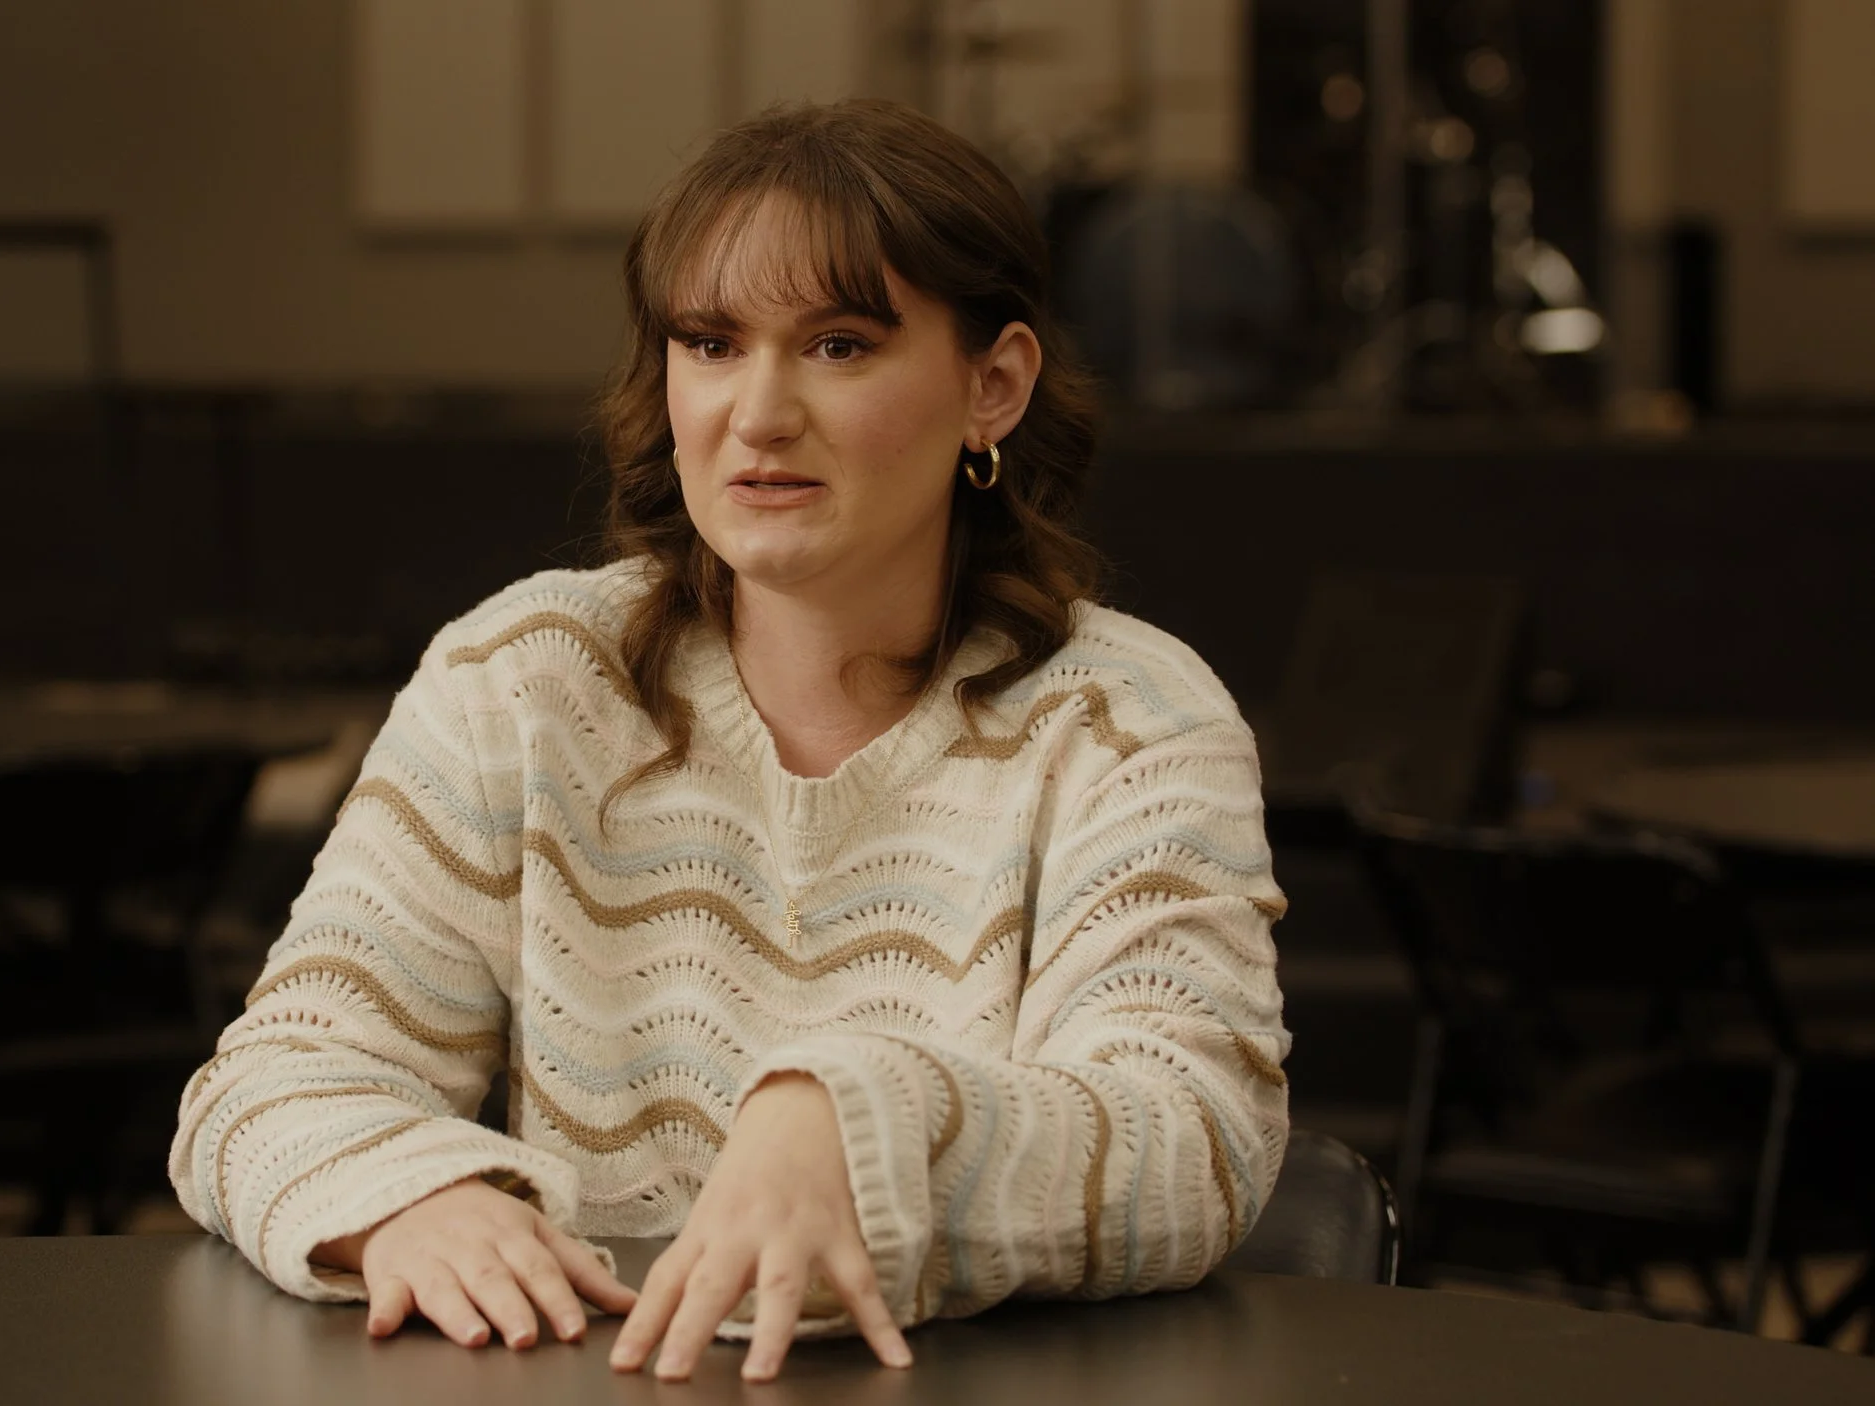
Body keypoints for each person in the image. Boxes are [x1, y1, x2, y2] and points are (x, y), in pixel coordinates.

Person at [170, 98, 1289, 1385]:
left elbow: (1194, 1139)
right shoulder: (525, 677)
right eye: (709, 343)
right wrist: (403, 1197)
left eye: (838, 345)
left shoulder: (1130, 717)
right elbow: (271, 1080)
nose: (758, 413)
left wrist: (852, 1115)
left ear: (993, 386)